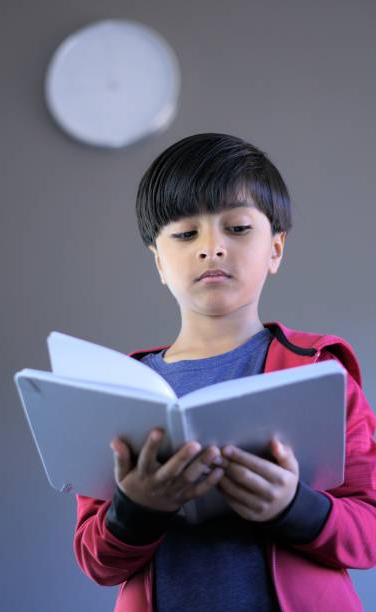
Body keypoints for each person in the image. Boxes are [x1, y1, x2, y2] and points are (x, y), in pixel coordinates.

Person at [73, 133, 376, 611]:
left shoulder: (319, 371)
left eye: (236, 228)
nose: (211, 248)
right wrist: (138, 509)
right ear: (158, 262)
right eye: (185, 234)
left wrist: (294, 508)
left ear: (275, 249)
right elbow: (96, 561)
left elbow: (369, 530)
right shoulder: (120, 389)